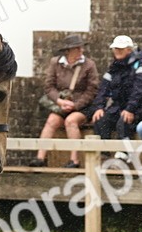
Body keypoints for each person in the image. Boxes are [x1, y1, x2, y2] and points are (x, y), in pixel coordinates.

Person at [28, 34, 98, 168]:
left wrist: (75, 105)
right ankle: (40, 158)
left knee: (71, 121)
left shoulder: (89, 65)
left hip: (82, 106)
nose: (81, 51)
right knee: (51, 121)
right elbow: (49, 87)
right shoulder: (55, 63)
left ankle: (74, 160)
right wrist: (59, 101)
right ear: (68, 51)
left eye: (81, 48)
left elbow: (92, 90)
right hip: (62, 103)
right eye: (77, 49)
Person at [89, 35, 142, 157]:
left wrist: (130, 109)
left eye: (121, 49)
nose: (117, 51)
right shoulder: (114, 68)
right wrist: (99, 107)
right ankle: (104, 153)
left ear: (129, 50)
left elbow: (140, 91)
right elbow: (103, 89)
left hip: (141, 107)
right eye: (116, 49)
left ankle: (124, 154)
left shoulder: (141, 67)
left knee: (123, 121)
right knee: (100, 119)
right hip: (118, 106)